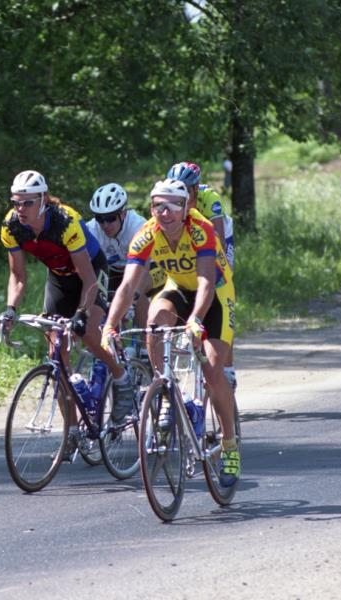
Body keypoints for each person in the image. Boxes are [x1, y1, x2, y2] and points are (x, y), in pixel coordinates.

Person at [102, 179, 240, 487]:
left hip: (214, 294)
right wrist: (110, 325)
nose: (163, 213)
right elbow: (127, 285)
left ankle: (229, 444)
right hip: (178, 287)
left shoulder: (201, 229)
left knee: (213, 370)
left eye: (172, 206)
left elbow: (206, 283)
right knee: (155, 319)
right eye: (157, 206)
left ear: (185, 208)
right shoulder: (147, 233)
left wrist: (196, 320)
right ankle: (165, 387)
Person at [0, 170, 135, 457]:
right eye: (16, 202)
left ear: (43, 200)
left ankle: (121, 377)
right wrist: (10, 309)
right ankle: (72, 431)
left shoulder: (65, 221)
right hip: (59, 278)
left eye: (28, 203)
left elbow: (89, 279)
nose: (21, 209)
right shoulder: (11, 226)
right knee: (56, 356)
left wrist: (81, 313)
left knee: (88, 334)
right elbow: (18, 276)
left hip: (90, 274)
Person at [167, 161, 237, 388]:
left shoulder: (210, 198)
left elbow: (217, 239)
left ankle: (228, 367)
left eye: (187, 189)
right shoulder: (170, 200)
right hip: (190, 236)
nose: (182, 194)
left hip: (217, 238)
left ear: (196, 188)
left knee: (222, 283)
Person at [85, 183, 149, 326]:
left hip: (146, 269)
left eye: (111, 218)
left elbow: (144, 269)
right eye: (100, 219)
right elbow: (89, 270)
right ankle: (112, 336)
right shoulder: (91, 230)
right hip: (115, 271)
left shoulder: (138, 226)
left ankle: (146, 338)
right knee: (106, 304)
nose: (105, 225)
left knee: (138, 296)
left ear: (123, 214)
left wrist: (132, 298)